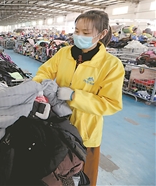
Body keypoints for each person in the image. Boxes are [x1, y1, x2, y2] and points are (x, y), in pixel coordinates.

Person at [32, 10, 124, 186]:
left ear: (102, 33)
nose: (79, 36)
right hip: (57, 126)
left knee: (82, 178)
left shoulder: (111, 65)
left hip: (85, 134)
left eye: (86, 33)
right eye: (76, 31)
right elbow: (44, 72)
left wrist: (75, 96)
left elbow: (111, 103)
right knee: (56, 173)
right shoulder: (64, 54)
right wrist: (41, 87)